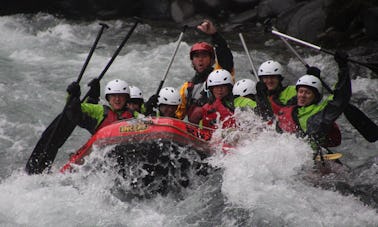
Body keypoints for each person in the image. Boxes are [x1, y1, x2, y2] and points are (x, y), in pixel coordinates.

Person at [270, 52, 350, 149]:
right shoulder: (289, 108)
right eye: (300, 92)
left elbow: (340, 96)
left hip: (309, 154)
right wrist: (312, 79)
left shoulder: (322, 111)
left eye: (308, 93)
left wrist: (343, 68)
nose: (302, 96)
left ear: (315, 97)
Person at [176, 19, 234, 121]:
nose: (200, 59)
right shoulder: (187, 88)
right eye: (197, 56)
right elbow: (178, 115)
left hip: (220, 125)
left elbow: (225, 57)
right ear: (192, 61)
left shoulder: (220, 75)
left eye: (204, 56)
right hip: (197, 130)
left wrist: (214, 35)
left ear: (212, 60)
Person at [66, 79, 133, 134]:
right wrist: (73, 97)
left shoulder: (135, 115)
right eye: (113, 96)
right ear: (108, 98)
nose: (117, 99)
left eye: (121, 96)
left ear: (126, 98)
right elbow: (75, 112)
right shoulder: (100, 111)